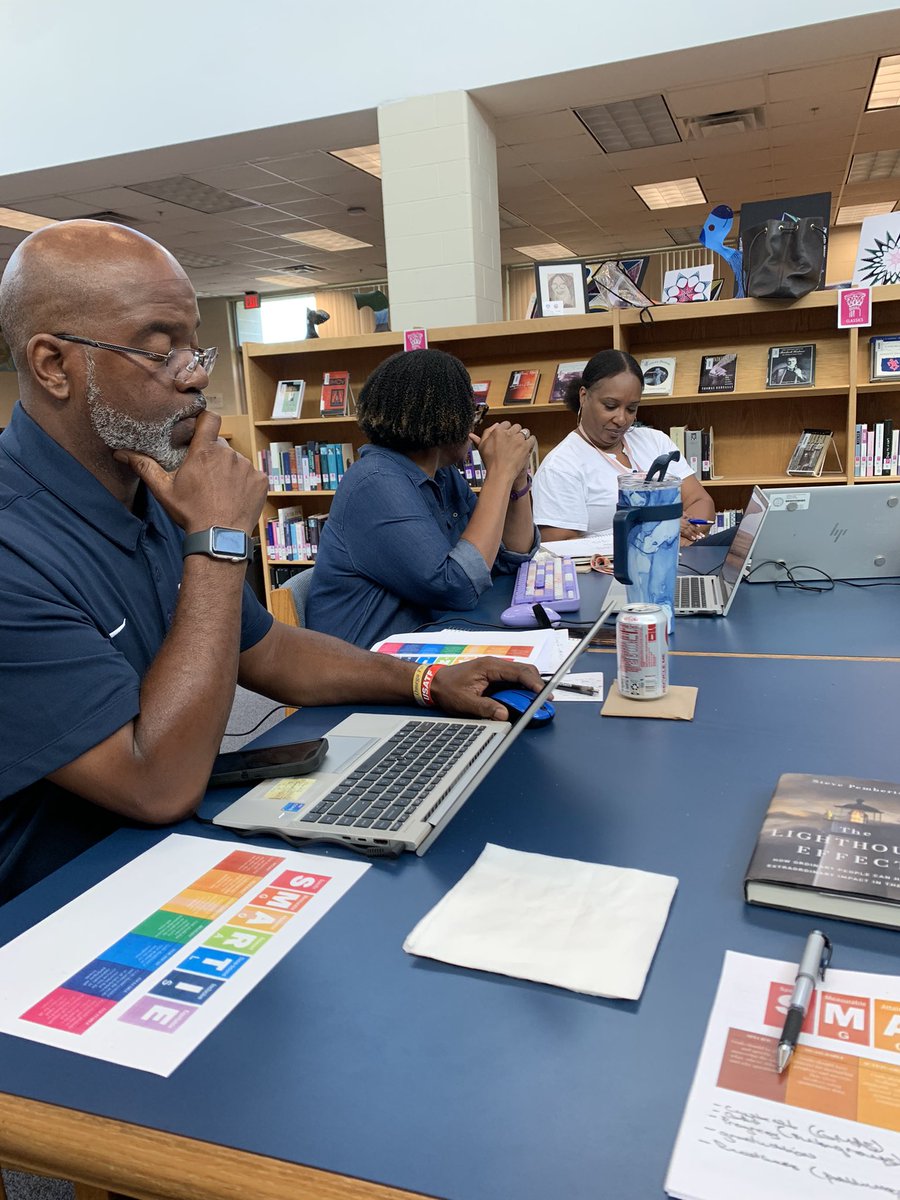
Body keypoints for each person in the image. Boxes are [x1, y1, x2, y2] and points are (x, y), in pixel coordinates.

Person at [0, 221, 543, 905]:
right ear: (54, 366)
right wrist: (220, 541)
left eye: (197, 347)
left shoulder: (150, 488)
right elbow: (153, 784)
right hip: (57, 911)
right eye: (161, 351)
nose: (196, 375)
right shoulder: (17, 543)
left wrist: (428, 683)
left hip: (176, 856)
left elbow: (271, 649)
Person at [306, 348, 539, 647]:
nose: (475, 424)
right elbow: (458, 585)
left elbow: (511, 556)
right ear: (443, 419)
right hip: (371, 669)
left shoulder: (443, 474)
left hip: (428, 644)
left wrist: (516, 478)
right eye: (472, 413)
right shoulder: (375, 483)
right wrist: (499, 474)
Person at [532, 349, 715, 545]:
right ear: (584, 396)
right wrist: (657, 531)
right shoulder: (560, 466)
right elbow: (560, 546)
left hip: (678, 560)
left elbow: (701, 502)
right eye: (610, 406)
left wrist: (671, 545)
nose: (621, 419)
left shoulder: (655, 441)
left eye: (631, 409)